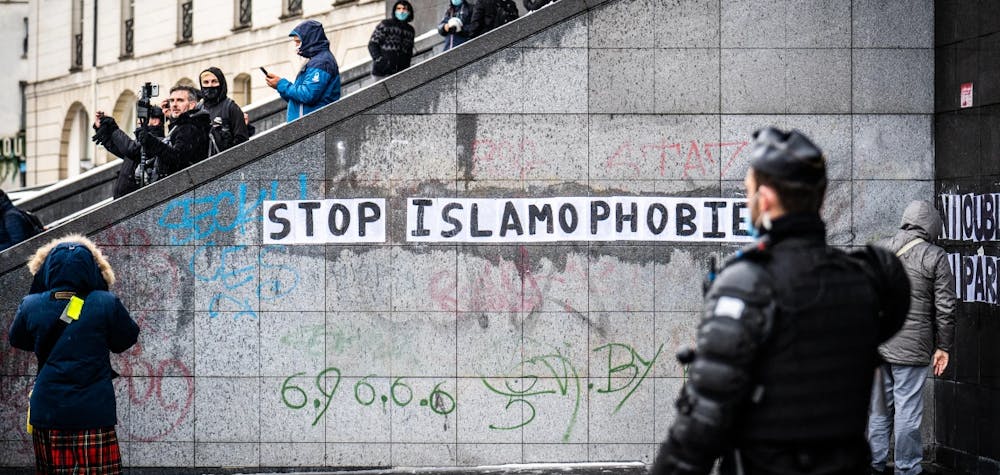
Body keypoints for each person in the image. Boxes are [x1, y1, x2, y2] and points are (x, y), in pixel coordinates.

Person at [650, 127, 911, 475]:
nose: (747, 202)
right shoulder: (866, 278)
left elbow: (700, 428)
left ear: (766, 199)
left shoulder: (747, 284)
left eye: (748, 192)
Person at [8, 234, 139, 474]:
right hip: (94, 411)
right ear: (92, 268)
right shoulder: (106, 302)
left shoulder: (30, 304)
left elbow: (17, 339)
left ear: (47, 268)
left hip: (49, 410)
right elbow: (126, 340)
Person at [868, 200, 957, 475]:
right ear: (932, 226)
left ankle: (873, 464)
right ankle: (907, 469)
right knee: (908, 410)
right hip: (913, 347)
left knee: (879, 410)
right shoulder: (935, 256)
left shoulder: (880, 248)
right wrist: (944, 346)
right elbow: (946, 306)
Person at [264, 20, 342, 122]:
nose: (296, 46)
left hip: (313, 126)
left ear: (309, 40)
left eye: (298, 42)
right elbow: (298, 100)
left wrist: (281, 84)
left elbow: (308, 95)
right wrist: (279, 86)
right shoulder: (316, 61)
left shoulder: (322, 62)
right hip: (306, 125)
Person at [137, 85, 211, 180]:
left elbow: (178, 159)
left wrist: (152, 142)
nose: (174, 104)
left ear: (192, 105)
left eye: (180, 100)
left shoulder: (190, 127)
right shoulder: (185, 124)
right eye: (172, 101)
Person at [91, 105, 166, 198]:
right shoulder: (141, 141)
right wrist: (103, 128)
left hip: (134, 200)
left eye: (143, 118)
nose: (139, 122)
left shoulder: (157, 141)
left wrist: (113, 128)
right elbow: (117, 148)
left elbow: (131, 149)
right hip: (124, 198)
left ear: (155, 121)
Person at [199, 67, 249, 155]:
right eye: (206, 82)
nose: (210, 85)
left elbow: (241, 139)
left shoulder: (231, 107)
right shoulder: (198, 108)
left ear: (221, 83)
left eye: (214, 81)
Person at [368, 0, 416, 80]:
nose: (401, 11)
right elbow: (373, 44)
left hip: (400, 73)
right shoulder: (386, 24)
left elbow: (409, 51)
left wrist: (406, 66)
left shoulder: (410, 30)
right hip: (381, 72)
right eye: (399, 8)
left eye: (404, 9)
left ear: (409, 12)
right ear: (395, 11)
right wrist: (380, 60)